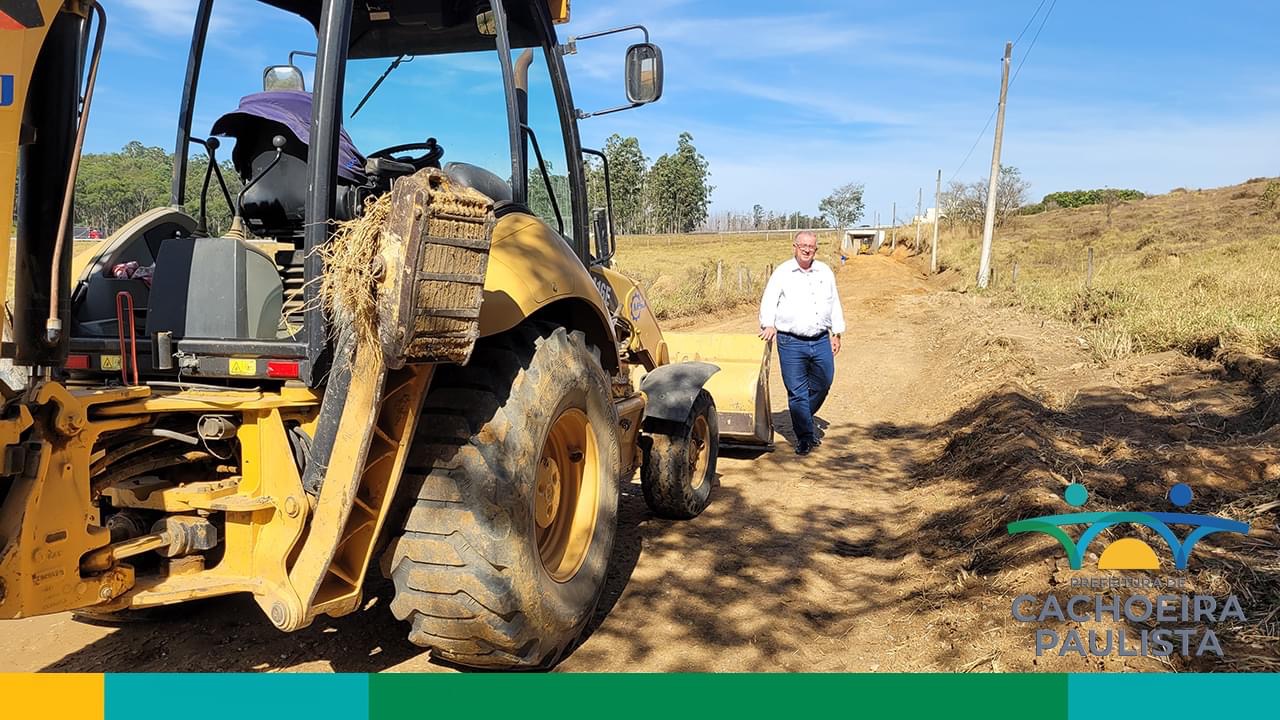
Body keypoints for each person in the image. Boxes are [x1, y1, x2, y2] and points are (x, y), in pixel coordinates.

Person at [758, 231, 845, 455]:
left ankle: (801, 415)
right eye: (803, 245)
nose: (807, 249)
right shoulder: (783, 272)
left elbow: (834, 302)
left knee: (824, 382)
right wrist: (768, 324)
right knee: (796, 392)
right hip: (790, 342)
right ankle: (805, 437)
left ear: (816, 249)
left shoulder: (825, 272)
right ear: (794, 246)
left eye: (812, 247)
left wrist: (837, 332)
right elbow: (769, 298)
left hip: (820, 340)